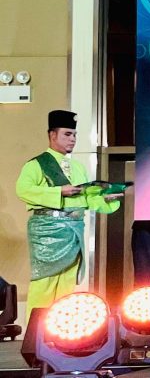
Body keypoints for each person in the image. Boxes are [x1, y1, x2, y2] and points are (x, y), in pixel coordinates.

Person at [15, 110, 122, 321]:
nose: (72, 139)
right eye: (67, 134)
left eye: (74, 135)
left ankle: (59, 329)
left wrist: (105, 199)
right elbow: (23, 190)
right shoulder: (36, 164)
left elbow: (87, 198)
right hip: (48, 231)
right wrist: (59, 192)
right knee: (44, 282)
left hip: (73, 230)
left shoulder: (78, 167)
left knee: (67, 284)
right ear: (52, 135)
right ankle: (35, 332)